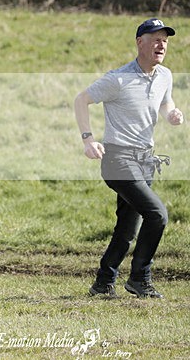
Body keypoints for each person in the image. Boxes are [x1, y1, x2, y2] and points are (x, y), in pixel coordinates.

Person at [74, 18, 184, 298]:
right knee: (157, 215)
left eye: (165, 40)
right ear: (140, 43)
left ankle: (102, 283)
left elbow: (164, 101)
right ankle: (139, 278)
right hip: (118, 160)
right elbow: (81, 99)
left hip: (145, 160)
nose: (162, 44)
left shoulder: (164, 76)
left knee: (127, 229)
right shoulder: (118, 79)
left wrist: (171, 113)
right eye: (156, 39)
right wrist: (88, 139)